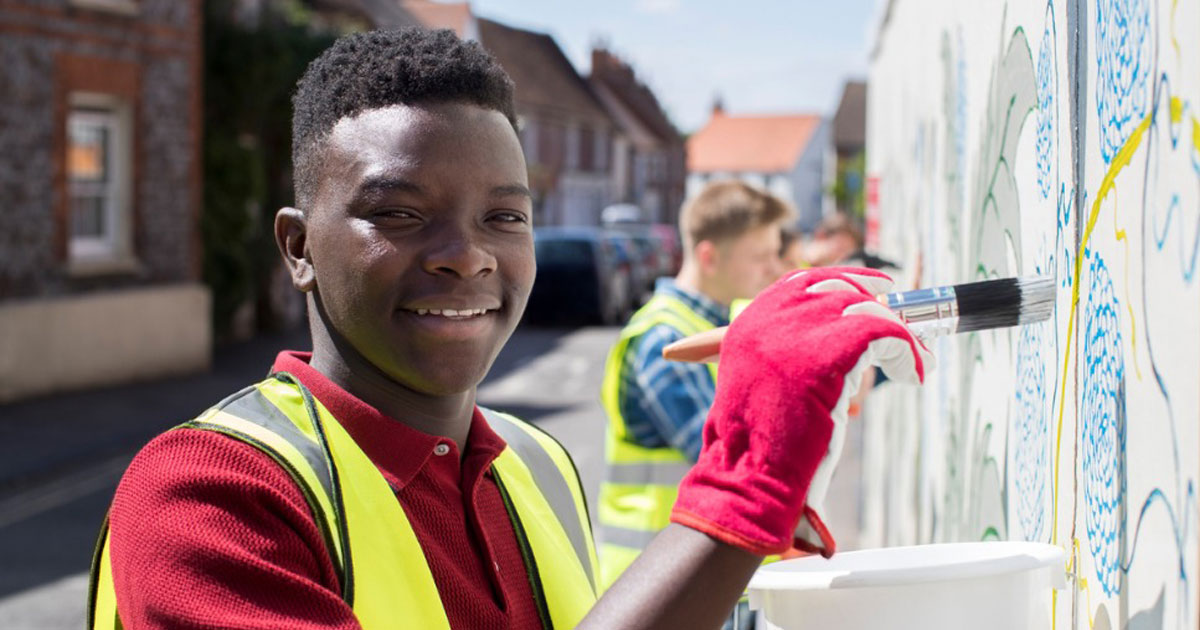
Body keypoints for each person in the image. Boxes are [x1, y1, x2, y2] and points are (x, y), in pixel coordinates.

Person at [87, 28, 932, 630]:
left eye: (504, 216)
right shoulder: (207, 495)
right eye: (401, 213)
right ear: (299, 248)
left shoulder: (536, 464)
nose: (468, 258)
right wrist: (741, 491)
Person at [597, 181, 789, 604]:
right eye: (761, 257)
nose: (776, 269)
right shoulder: (664, 341)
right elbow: (739, 465)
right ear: (709, 256)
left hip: (704, 585)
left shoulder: (728, 325)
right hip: (664, 594)